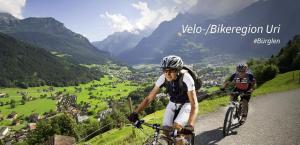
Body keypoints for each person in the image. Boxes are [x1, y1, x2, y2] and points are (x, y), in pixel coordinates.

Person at [128, 55, 198, 144]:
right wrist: (135, 113)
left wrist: (190, 125)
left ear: (177, 70)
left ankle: (183, 141)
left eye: (171, 70)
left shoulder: (186, 78)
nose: (167, 74)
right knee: (166, 130)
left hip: (187, 103)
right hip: (173, 102)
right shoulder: (163, 78)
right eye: (165, 70)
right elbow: (149, 98)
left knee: (177, 127)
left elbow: (194, 104)